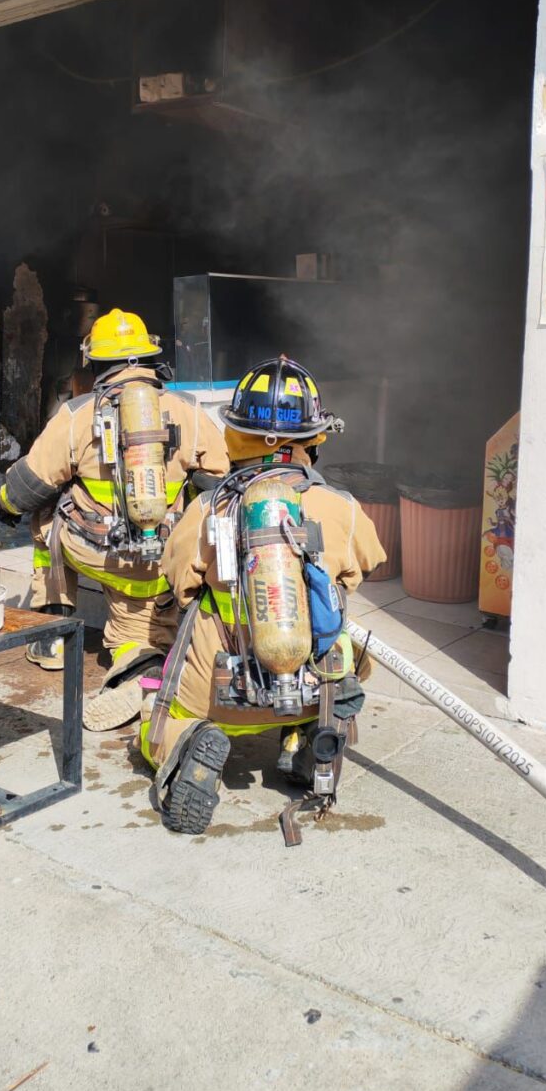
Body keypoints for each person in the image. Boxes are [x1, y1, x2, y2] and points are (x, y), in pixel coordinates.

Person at [139, 355, 386, 836]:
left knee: (158, 722)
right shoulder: (341, 507)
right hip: (312, 682)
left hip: (220, 686)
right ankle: (306, 738)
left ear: (235, 433)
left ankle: (191, 741)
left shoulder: (209, 507)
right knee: (350, 646)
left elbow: (178, 579)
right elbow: (367, 565)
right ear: (314, 439)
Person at [0, 309, 228, 730]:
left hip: (96, 552)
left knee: (46, 520)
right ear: (150, 358)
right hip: (164, 560)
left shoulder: (77, 415)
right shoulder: (190, 412)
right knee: (146, 616)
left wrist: (6, 506)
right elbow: (219, 487)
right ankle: (158, 638)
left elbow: (29, 484)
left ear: (98, 364)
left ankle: (60, 639)